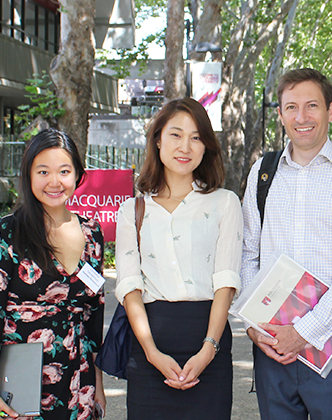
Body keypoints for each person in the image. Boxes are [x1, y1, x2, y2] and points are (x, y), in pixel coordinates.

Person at [241, 68, 332, 420]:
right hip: (272, 348)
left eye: (312, 106)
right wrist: (253, 324)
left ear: (331, 110)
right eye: (291, 107)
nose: (301, 117)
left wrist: (304, 332)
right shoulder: (263, 172)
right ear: (280, 114)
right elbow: (248, 252)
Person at [114, 98, 242, 419]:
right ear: (158, 139)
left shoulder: (225, 203)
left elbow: (225, 281)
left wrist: (208, 349)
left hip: (208, 341)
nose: (185, 146)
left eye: (196, 137)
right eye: (175, 135)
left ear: (205, 147)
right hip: (149, 344)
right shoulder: (132, 211)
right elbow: (130, 288)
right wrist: (152, 354)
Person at [0, 129, 106, 419]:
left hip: (79, 381)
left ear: (77, 175)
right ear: (28, 176)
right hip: (19, 384)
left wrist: (98, 383)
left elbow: (94, 315)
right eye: (43, 171)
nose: (54, 182)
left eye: (64, 171)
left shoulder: (92, 234)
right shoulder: (5, 234)